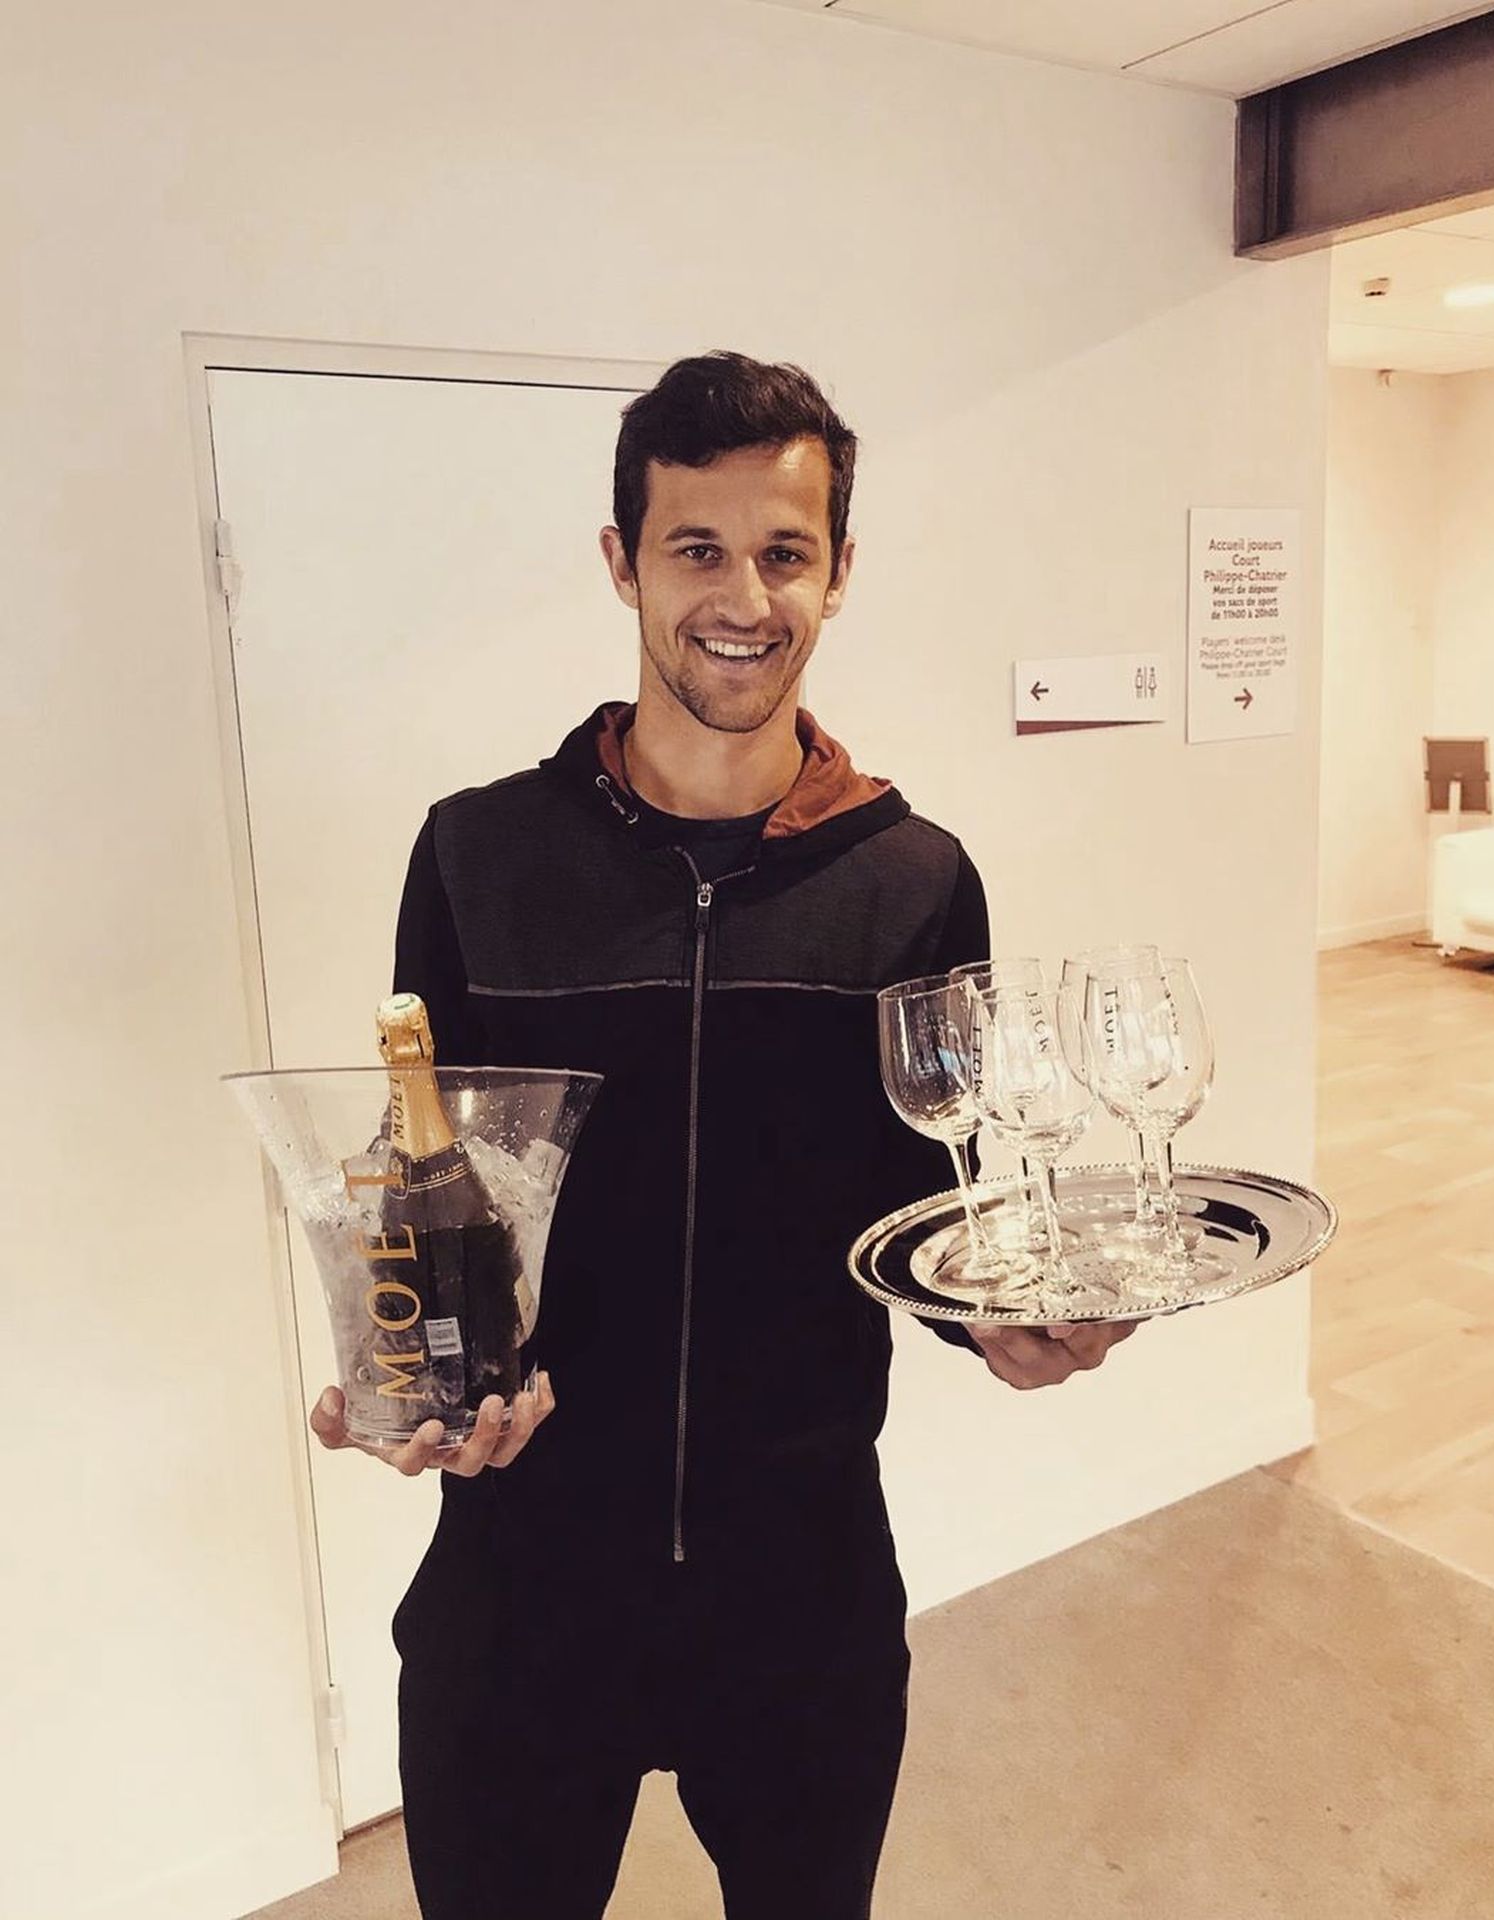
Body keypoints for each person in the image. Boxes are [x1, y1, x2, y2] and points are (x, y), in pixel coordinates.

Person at [310, 351, 1136, 1919]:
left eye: (785, 553)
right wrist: (412, 1372)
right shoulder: (478, 854)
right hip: (523, 1579)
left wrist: (1000, 1322)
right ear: (622, 561)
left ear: (838, 573)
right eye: (697, 547)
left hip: (801, 1584)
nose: (744, 598)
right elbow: (432, 1182)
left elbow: (924, 1197)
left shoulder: (916, 881)